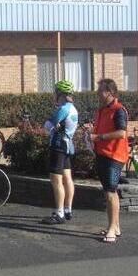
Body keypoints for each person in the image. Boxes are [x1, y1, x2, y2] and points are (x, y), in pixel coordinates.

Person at [87, 78, 129, 243]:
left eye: (101, 90)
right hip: (102, 154)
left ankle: (112, 229)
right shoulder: (102, 110)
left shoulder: (119, 110)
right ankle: (115, 226)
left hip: (114, 156)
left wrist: (99, 137)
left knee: (110, 192)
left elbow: (122, 133)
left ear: (110, 92)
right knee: (109, 191)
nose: (98, 92)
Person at [42, 80, 79, 225]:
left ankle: (59, 213)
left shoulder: (63, 109)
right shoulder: (73, 109)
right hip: (68, 146)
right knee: (68, 178)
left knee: (56, 180)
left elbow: (47, 126)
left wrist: (51, 125)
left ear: (60, 94)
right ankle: (68, 209)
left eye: (56, 93)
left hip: (58, 146)